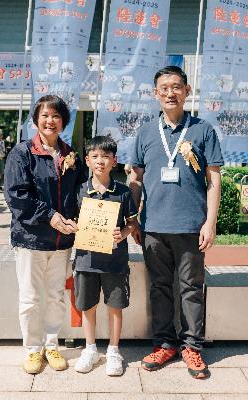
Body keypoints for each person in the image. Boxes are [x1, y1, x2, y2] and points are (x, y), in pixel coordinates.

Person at [129, 66, 223, 379]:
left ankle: (192, 347)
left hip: (190, 226)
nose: (171, 93)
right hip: (153, 227)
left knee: (191, 288)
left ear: (187, 91)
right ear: (155, 93)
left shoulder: (203, 130)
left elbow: (214, 178)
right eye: (164, 88)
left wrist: (210, 222)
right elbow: (136, 179)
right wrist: (133, 218)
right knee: (159, 288)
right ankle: (165, 344)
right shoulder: (146, 132)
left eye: (176, 87)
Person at [4, 95, 87, 375]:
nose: (50, 121)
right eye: (45, 115)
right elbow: (16, 195)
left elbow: (80, 192)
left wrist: (81, 219)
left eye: (56, 116)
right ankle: (32, 349)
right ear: (36, 120)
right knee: (30, 298)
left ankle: (52, 345)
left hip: (62, 241)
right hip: (31, 239)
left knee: (55, 296)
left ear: (63, 122)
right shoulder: (22, 153)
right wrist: (50, 216)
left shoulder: (71, 155)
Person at [73, 136, 138, 377]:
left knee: (115, 306)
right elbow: (72, 219)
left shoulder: (122, 191)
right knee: (87, 306)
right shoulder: (79, 190)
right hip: (86, 260)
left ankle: (113, 351)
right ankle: (90, 349)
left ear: (114, 161)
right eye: (95, 156)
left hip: (114, 262)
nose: (100, 161)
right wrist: (76, 227)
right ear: (87, 160)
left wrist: (123, 233)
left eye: (106, 157)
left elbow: (132, 223)